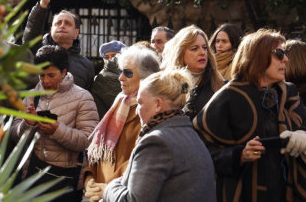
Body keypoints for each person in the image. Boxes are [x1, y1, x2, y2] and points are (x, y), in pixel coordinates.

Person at [194, 29, 306, 202]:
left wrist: (302, 136)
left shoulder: (289, 92)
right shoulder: (229, 96)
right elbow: (199, 152)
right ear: (258, 57)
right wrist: (240, 155)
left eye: (286, 53)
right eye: (279, 53)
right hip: (244, 194)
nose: (286, 59)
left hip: (286, 193)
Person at [103, 68, 215, 202]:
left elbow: (135, 200)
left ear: (157, 104)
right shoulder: (189, 133)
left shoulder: (157, 142)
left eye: (140, 103)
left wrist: (109, 188)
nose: (137, 111)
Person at [11, 45, 99, 201]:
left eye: (51, 75)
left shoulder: (83, 97)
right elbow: (15, 136)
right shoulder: (32, 96)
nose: (46, 81)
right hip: (34, 177)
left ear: (64, 72)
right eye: (41, 75)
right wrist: (28, 124)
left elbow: (89, 140)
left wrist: (57, 130)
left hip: (65, 180)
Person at [84, 46, 160, 202]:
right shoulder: (119, 102)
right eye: (120, 71)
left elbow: (142, 162)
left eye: (128, 73)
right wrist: (89, 179)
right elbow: (98, 148)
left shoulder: (154, 111)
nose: (120, 78)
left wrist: (108, 188)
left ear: (146, 77)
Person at [22, 0, 95, 90]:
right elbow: (31, 35)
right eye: (58, 23)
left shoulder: (86, 65)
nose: (62, 26)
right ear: (51, 31)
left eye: (68, 23)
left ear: (76, 33)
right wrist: (42, 5)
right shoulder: (37, 52)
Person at [161, 25, 224, 120]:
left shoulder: (222, 85)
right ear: (180, 53)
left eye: (204, 47)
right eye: (195, 48)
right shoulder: (165, 84)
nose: (202, 52)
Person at [91, 40, 126, 119]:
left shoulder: (118, 73)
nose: (110, 59)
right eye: (106, 57)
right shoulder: (108, 77)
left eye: (114, 56)